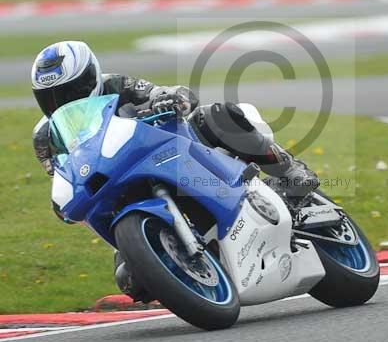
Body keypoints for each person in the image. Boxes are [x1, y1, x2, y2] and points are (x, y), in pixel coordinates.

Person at [31, 41, 319, 300]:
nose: (63, 101)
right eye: (52, 96)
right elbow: (60, 174)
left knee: (214, 117)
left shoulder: (117, 85)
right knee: (131, 280)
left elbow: (166, 93)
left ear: (91, 78)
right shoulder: (45, 136)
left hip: (166, 152)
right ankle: (177, 263)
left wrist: (170, 99)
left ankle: (290, 171)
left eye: (71, 91)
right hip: (117, 188)